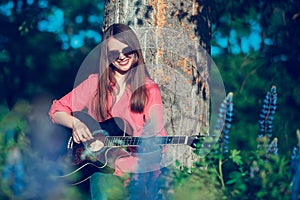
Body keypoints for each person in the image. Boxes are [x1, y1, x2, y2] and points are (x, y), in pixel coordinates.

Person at [49, 23, 167, 199]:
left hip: (138, 175)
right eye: (114, 53)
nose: (121, 57)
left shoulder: (149, 89)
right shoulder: (95, 84)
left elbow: (159, 140)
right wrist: (76, 123)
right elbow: (56, 109)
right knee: (102, 186)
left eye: (127, 50)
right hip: (104, 172)